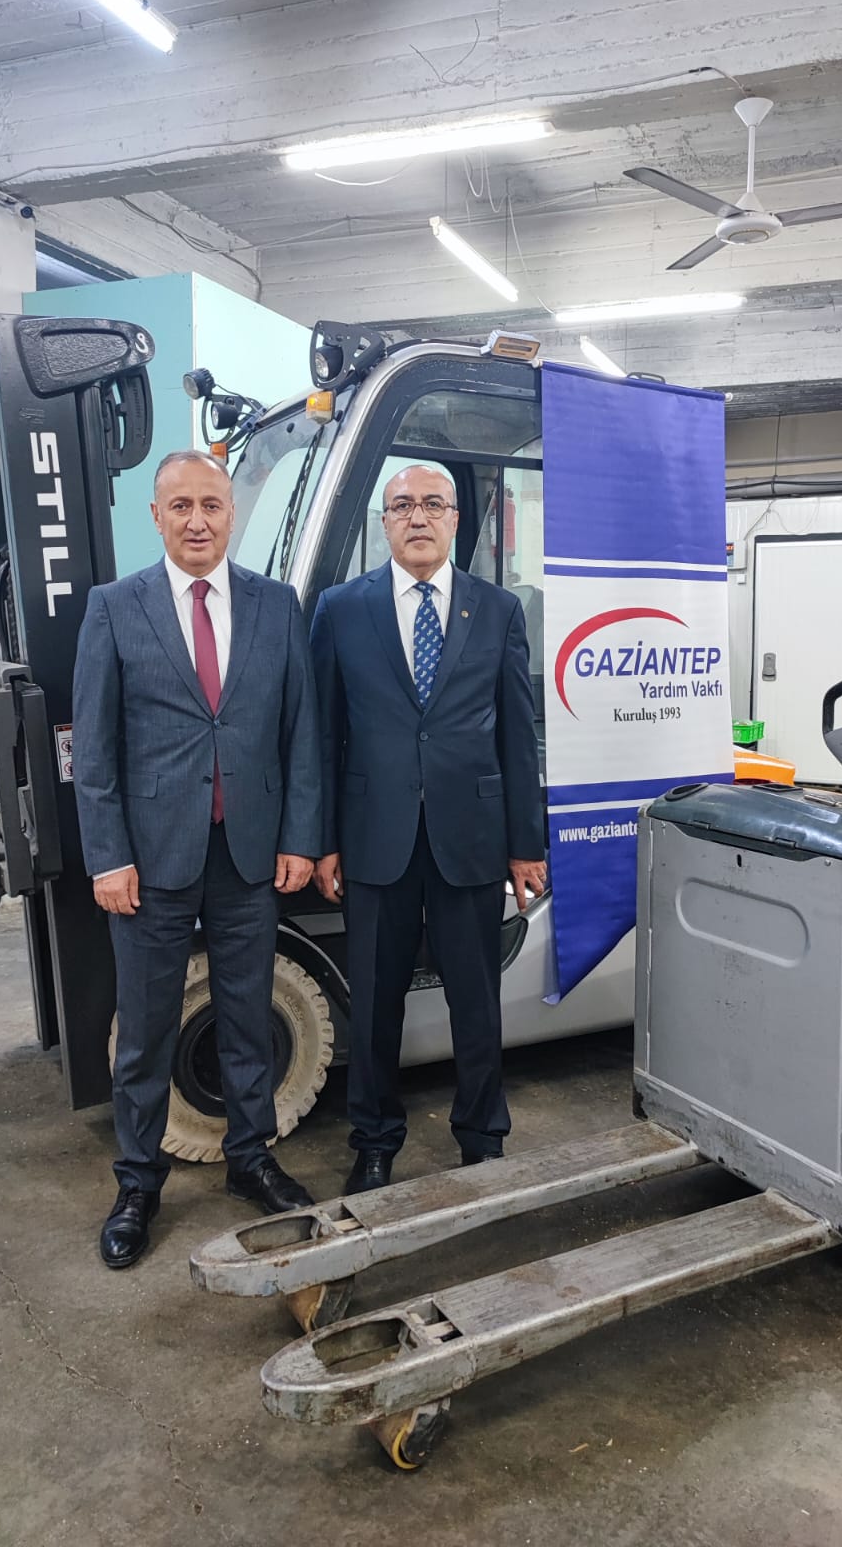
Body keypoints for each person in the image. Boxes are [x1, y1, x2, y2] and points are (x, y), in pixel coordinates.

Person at [73, 450, 321, 1270]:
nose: (198, 520)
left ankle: (250, 1158)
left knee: (248, 1017)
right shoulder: (115, 608)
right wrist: (108, 857)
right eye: (180, 505)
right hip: (150, 862)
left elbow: (301, 734)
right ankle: (138, 1183)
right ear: (156, 516)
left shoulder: (276, 606)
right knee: (145, 1032)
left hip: (247, 854)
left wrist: (299, 836)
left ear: (230, 513)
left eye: (211, 504)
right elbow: (95, 752)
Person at [310, 465, 546, 1195]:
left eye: (433, 504)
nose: (418, 517)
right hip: (373, 838)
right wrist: (322, 840)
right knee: (374, 1005)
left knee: (474, 1001)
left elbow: (517, 734)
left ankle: (482, 1136)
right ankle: (375, 1141)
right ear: (384, 522)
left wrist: (525, 845)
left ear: (454, 520)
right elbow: (322, 737)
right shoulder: (341, 610)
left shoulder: (497, 610)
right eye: (403, 505)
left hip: (469, 838)